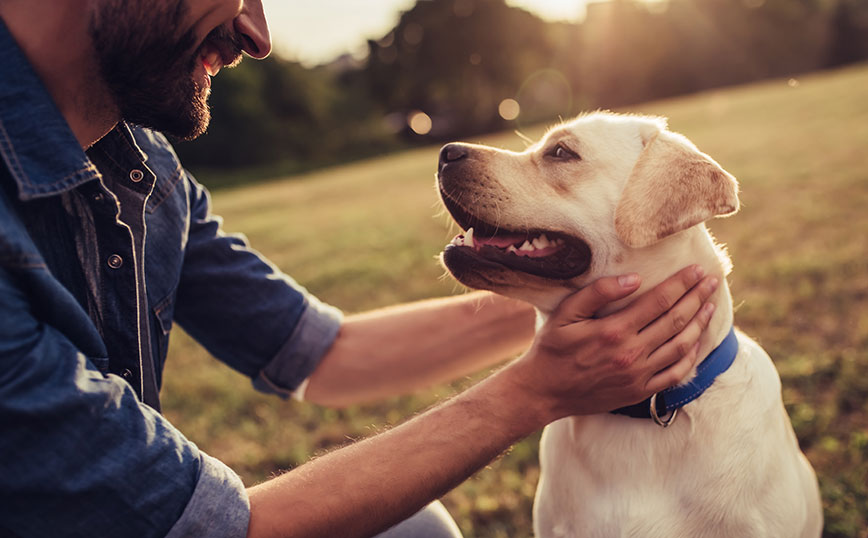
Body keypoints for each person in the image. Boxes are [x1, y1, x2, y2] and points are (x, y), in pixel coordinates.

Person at [0, 1, 720, 537]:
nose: (257, 33)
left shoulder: (145, 170)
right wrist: (532, 393)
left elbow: (327, 354)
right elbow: (217, 530)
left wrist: (598, 290)